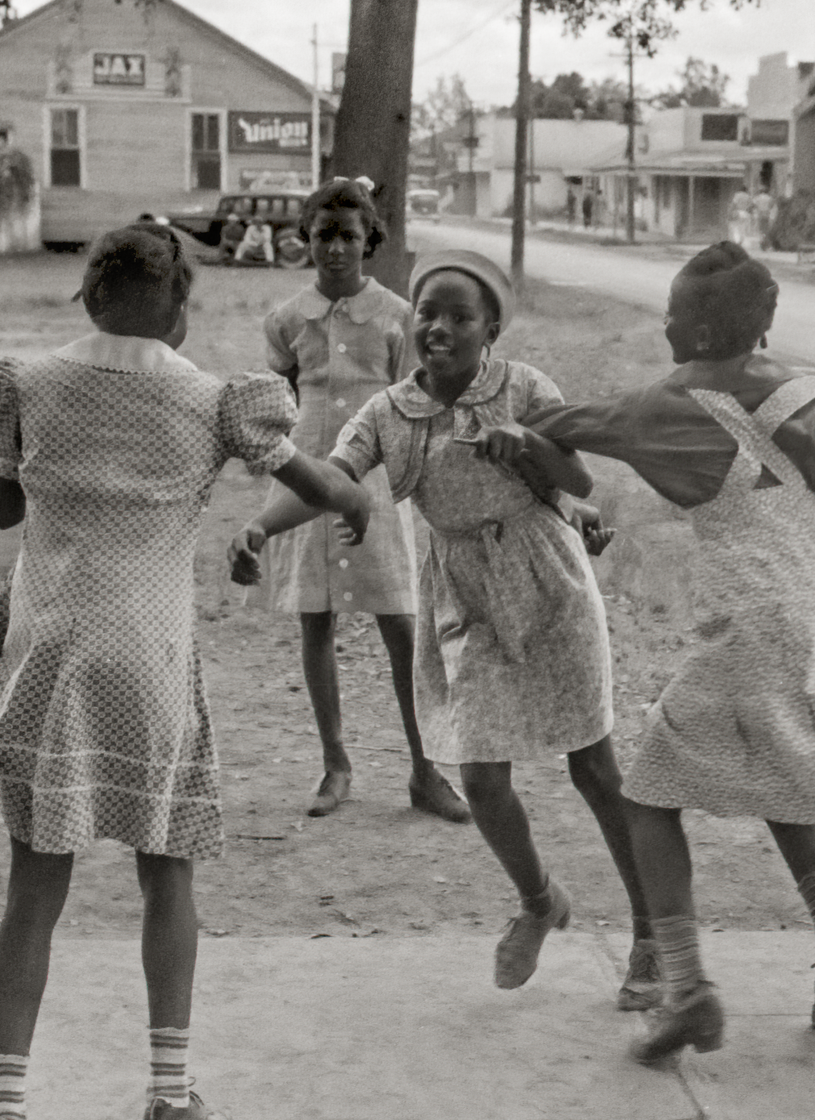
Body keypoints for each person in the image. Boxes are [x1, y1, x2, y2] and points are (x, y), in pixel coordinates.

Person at [0, 223, 371, 1120]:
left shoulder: (21, 386)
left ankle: (4, 1101)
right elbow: (314, 482)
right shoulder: (215, 401)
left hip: (46, 659)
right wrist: (351, 497)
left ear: (86, 294)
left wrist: (10, 453)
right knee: (168, 875)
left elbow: (3, 510)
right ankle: (169, 1090)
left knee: (33, 891)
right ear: (181, 313)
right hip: (149, 663)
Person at [242, 249, 656, 1004]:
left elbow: (580, 481)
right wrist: (261, 530)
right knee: (480, 776)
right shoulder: (391, 412)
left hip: (550, 581)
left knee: (593, 768)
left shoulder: (525, 387)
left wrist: (527, 443)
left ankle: (651, 933)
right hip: (464, 593)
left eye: (460, 315)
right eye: (428, 312)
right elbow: (330, 481)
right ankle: (539, 899)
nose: (439, 327)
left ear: (490, 328)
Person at [527, 241, 815, 1063]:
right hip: (808, 617)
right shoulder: (803, 385)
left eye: (672, 317)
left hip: (748, 624)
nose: (662, 328)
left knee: (647, 792)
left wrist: (517, 435)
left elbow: (568, 425)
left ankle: (685, 987)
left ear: (696, 332)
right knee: (796, 796)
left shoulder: (674, 399)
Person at [234, 176, 468, 823]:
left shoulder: (397, 314)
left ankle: (426, 769)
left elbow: (413, 400)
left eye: (349, 236)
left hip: (376, 474)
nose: (336, 249)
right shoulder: (287, 319)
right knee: (317, 618)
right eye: (323, 235)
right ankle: (336, 762)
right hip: (308, 471)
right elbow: (278, 397)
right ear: (305, 238)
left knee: (401, 624)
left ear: (371, 239)